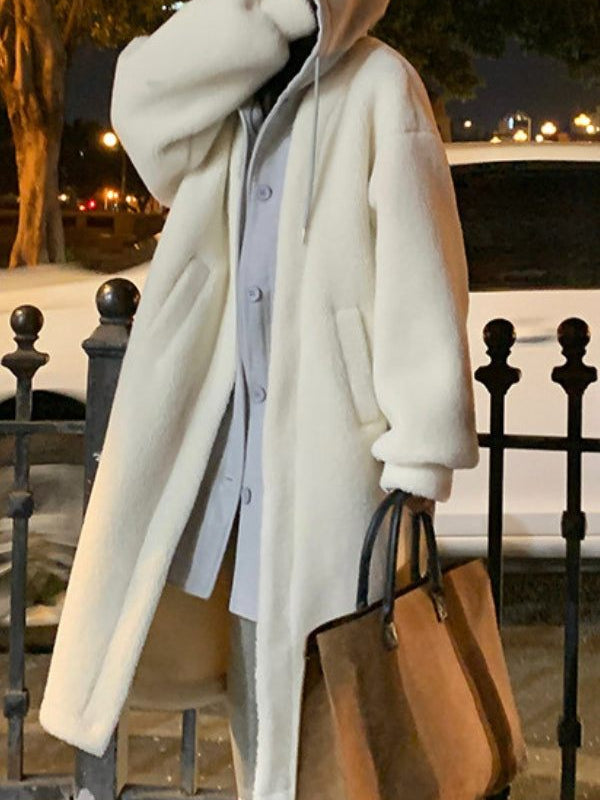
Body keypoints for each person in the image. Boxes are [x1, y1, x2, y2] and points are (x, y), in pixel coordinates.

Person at [38, 1, 480, 799]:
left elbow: (422, 266)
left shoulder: (381, 84)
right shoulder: (229, 85)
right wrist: (257, 21)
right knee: (253, 674)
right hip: (224, 446)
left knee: (328, 691)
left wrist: (420, 443)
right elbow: (143, 108)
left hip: (331, 451)